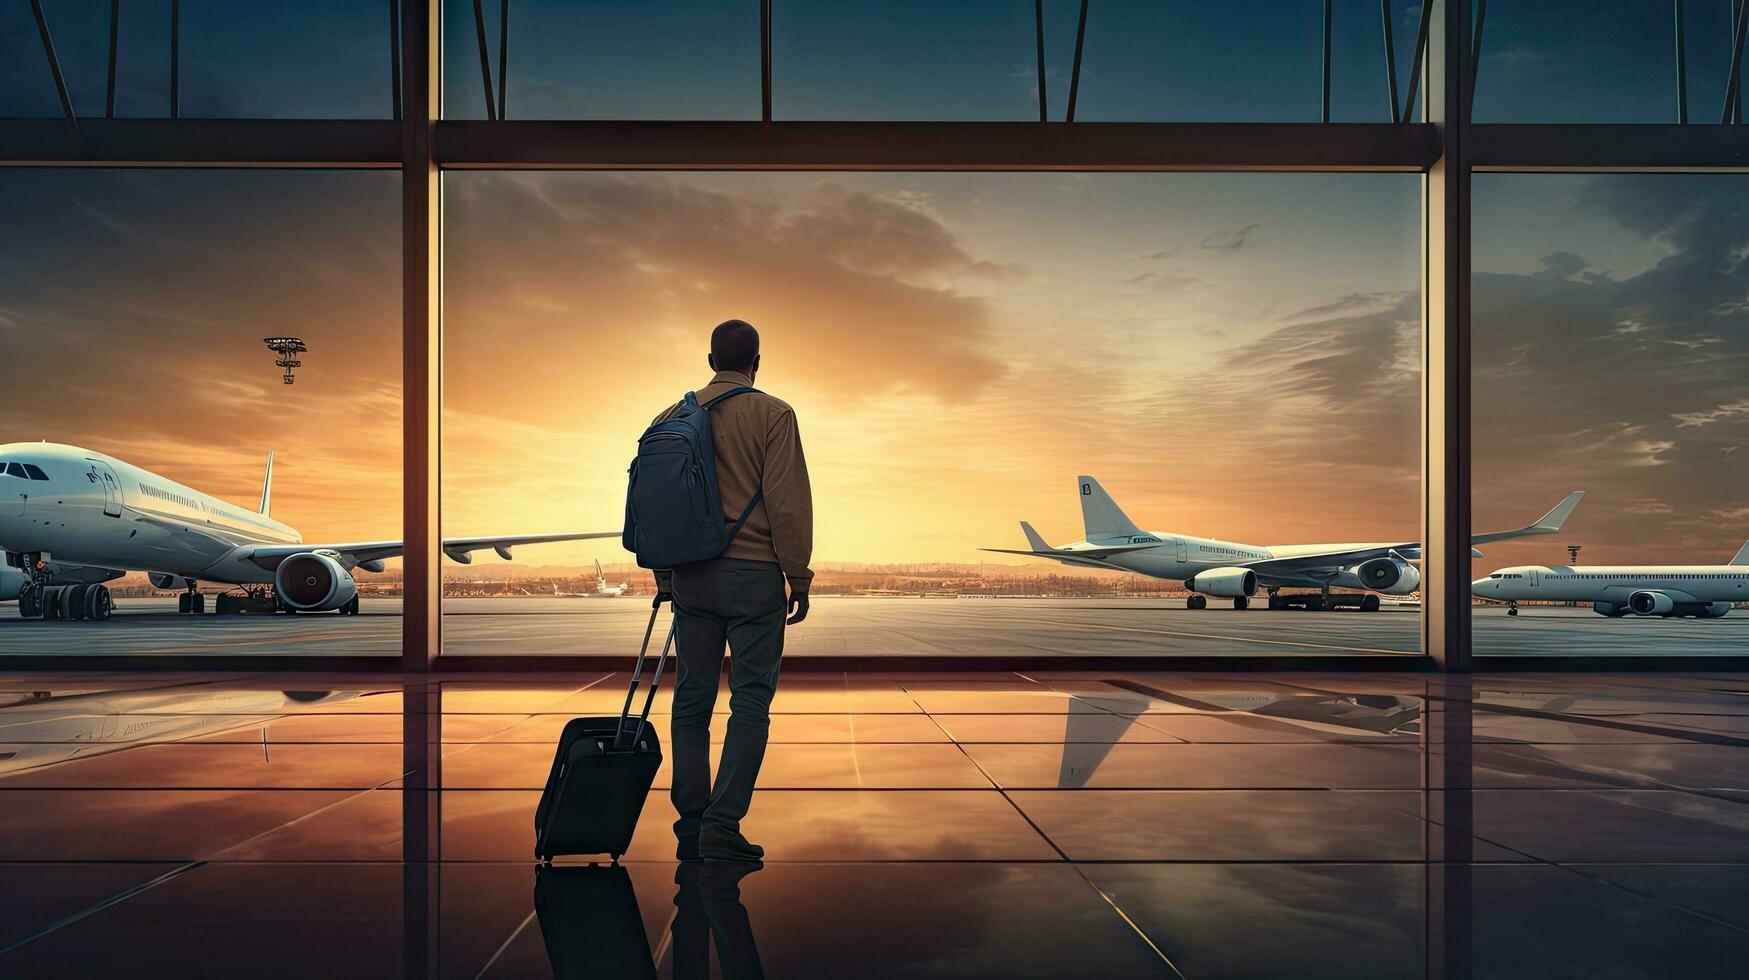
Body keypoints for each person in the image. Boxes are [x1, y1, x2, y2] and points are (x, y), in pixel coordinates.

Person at [653, 318, 812, 863]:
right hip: (753, 579)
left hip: (692, 579)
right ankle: (724, 825)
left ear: (709, 359)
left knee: (691, 700)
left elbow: (656, 506)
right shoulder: (774, 415)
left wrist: (666, 577)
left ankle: (691, 821)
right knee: (750, 702)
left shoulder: (672, 417)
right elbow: (786, 503)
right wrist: (799, 574)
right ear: (757, 363)